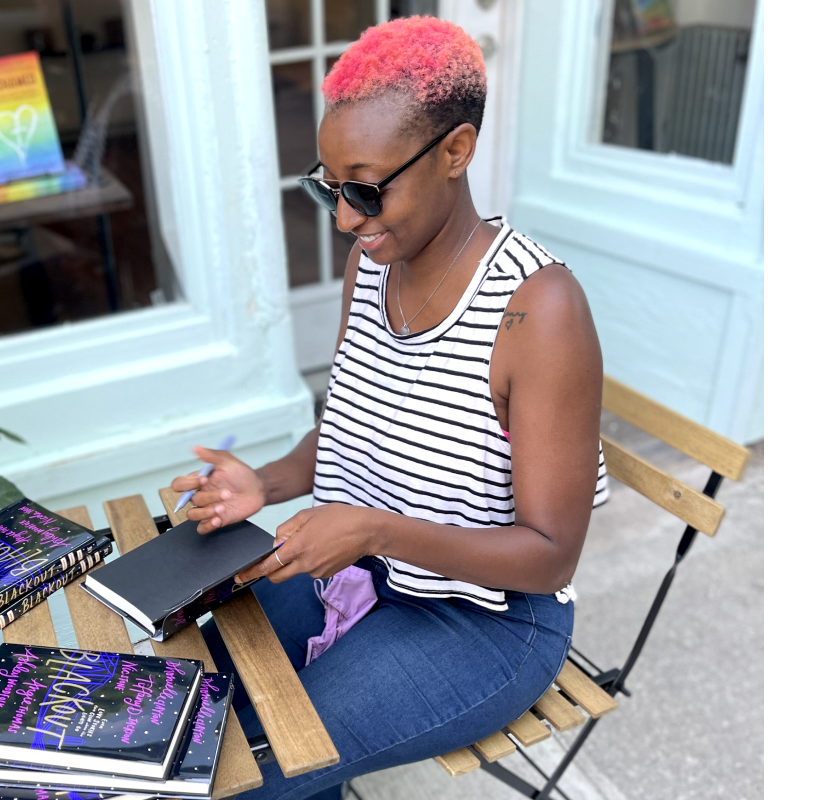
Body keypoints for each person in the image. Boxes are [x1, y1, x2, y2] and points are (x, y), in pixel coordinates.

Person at [171, 17, 609, 800]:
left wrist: (374, 529)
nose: (344, 217)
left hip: (484, 622)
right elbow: (356, 423)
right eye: (330, 187)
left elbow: (550, 555)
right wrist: (263, 485)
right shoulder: (372, 266)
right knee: (191, 690)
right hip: (369, 569)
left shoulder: (539, 311)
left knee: (256, 770)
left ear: (456, 151)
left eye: (367, 189)